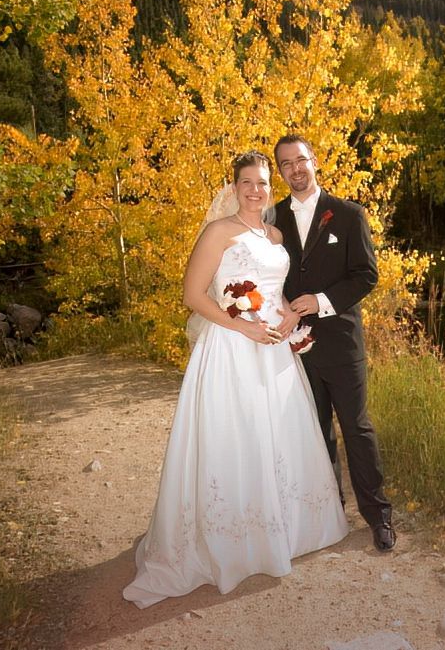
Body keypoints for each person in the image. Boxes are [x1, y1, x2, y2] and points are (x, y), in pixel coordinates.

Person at [122, 151, 348, 609]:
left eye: (263, 182)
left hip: (273, 349)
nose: (255, 190)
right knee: (237, 437)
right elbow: (191, 295)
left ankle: (285, 531)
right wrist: (243, 326)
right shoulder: (218, 232)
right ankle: (232, 542)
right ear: (234, 187)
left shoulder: (276, 233)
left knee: (278, 435)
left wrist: (288, 318)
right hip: (230, 347)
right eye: (247, 182)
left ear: (271, 187)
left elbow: (274, 288)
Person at [271, 134, 395, 552]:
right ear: (280, 171)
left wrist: (320, 302)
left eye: (301, 160)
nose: (295, 169)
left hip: (341, 341)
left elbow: (366, 275)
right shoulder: (272, 220)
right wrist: (284, 312)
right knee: (314, 430)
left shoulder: (348, 214)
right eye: (286, 164)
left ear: (315, 161)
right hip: (294, 346)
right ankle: (328, 513)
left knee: (356, 428)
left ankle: (378, 515)